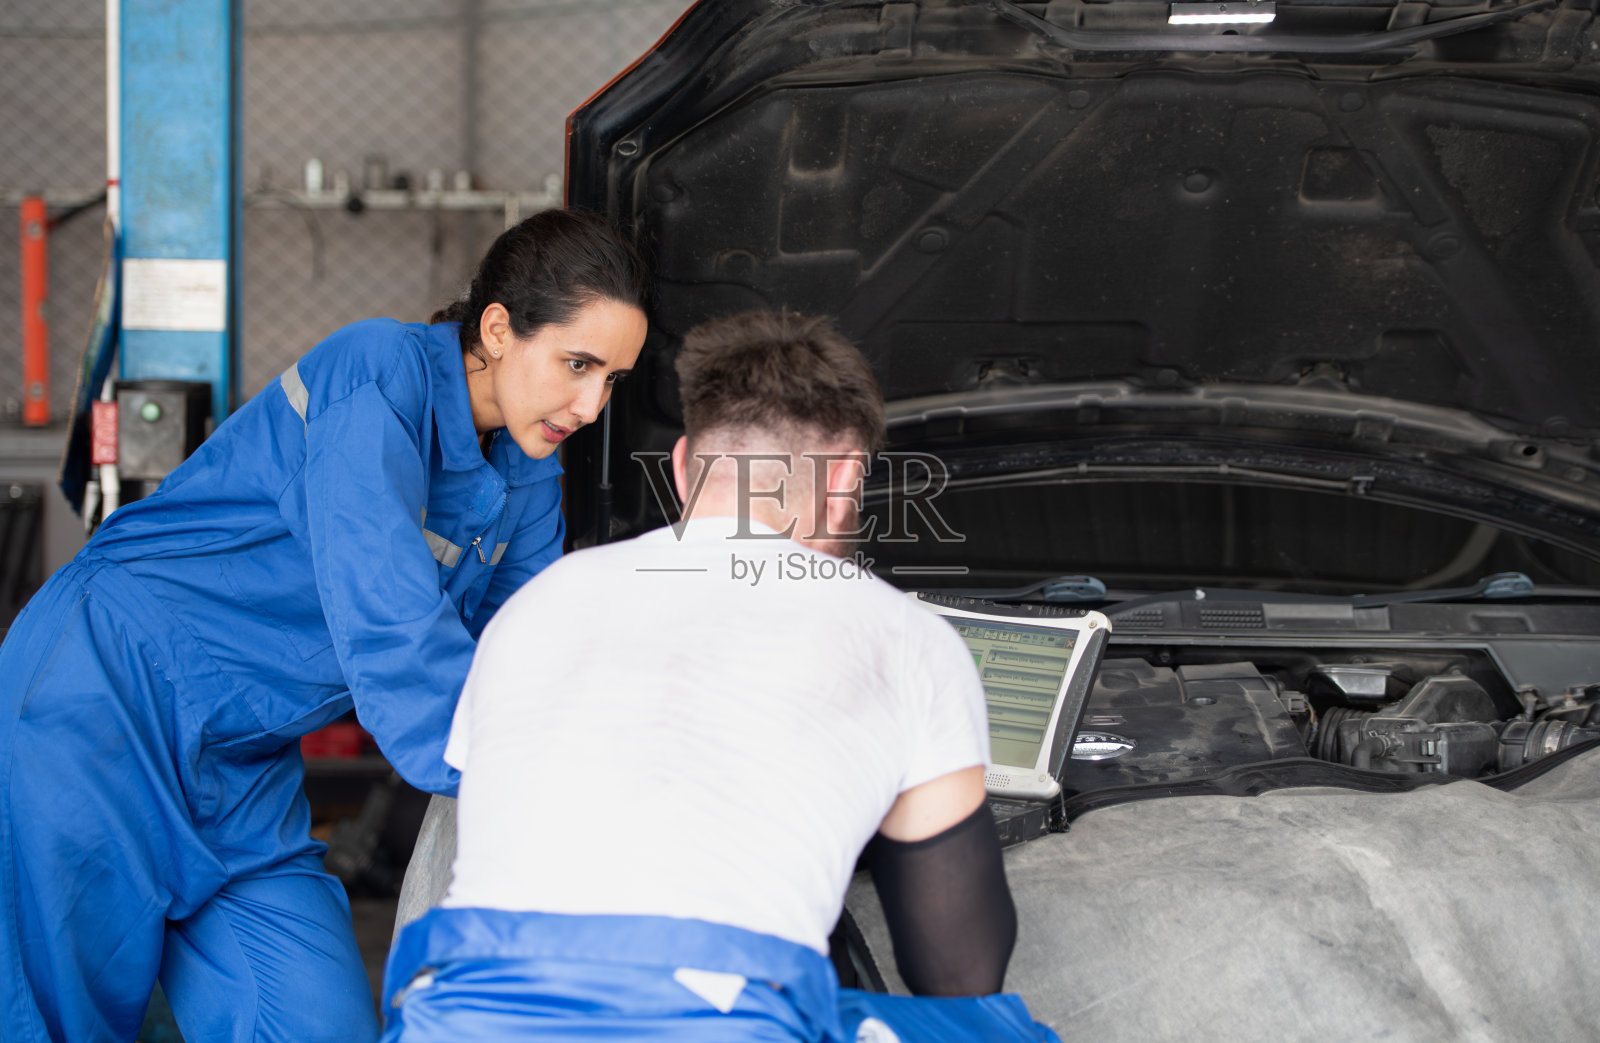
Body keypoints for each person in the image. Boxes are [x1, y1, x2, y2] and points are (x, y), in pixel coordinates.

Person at [0, 209, 650, 1043]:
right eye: (578, 364)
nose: (593, 404)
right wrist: (565, 787)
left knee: (314, 1021)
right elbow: (394, 634)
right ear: (497, 329)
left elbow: (522, 655)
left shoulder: (526, 473)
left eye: (612, 380)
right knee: (59, 1017)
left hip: (241, 762)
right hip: (103, 700)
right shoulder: (375, 376)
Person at [380, 310, 1060, 1042]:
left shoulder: (537, 603)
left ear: (679, 469)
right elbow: (956, 975)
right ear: (847, 480)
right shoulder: (905, 636)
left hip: (454, 1014)